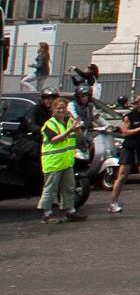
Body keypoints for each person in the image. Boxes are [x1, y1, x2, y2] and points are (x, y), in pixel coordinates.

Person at [37, 90, 84, 224]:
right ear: (53, 109)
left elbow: (79, 137)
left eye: (63, 108)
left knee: (69, 187)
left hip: (66, 161)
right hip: (53, 162)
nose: (61, 110)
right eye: (58, 108)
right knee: (50, 188)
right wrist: (70, 130)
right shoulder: (50, 124)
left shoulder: (69, 122)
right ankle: (47, 214)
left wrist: (77, 127)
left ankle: (70, 210)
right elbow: (55, 139)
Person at [107, 93, 140, 214]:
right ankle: (113, 202)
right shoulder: (129, 116)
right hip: (129, 147)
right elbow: (125, 132)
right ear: (137, 102)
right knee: (122, 175)